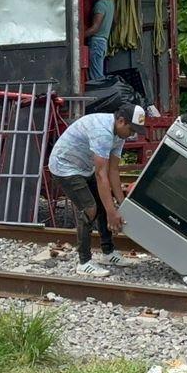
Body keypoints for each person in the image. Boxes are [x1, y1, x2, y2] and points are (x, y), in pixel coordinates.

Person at [48, 103, 146, 277]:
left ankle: (108, 253)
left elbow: (113, 170)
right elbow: (102, 175)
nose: (133, 134)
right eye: (131, 129)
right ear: (121, 121)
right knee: (90, 208)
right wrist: (111, 212)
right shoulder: (103, 132)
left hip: (84, 167)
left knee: (104, 203)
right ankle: (84, 262)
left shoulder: (119, 134)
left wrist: (121, 204)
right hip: (64, 167)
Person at [84, 0, 115, 82]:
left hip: (96, 42)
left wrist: (79, 36)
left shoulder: (100, 5)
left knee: (96, 77)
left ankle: (100, 97)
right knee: (98, 74)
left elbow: (95, 28)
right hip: (102, 42)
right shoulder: (110, 3)